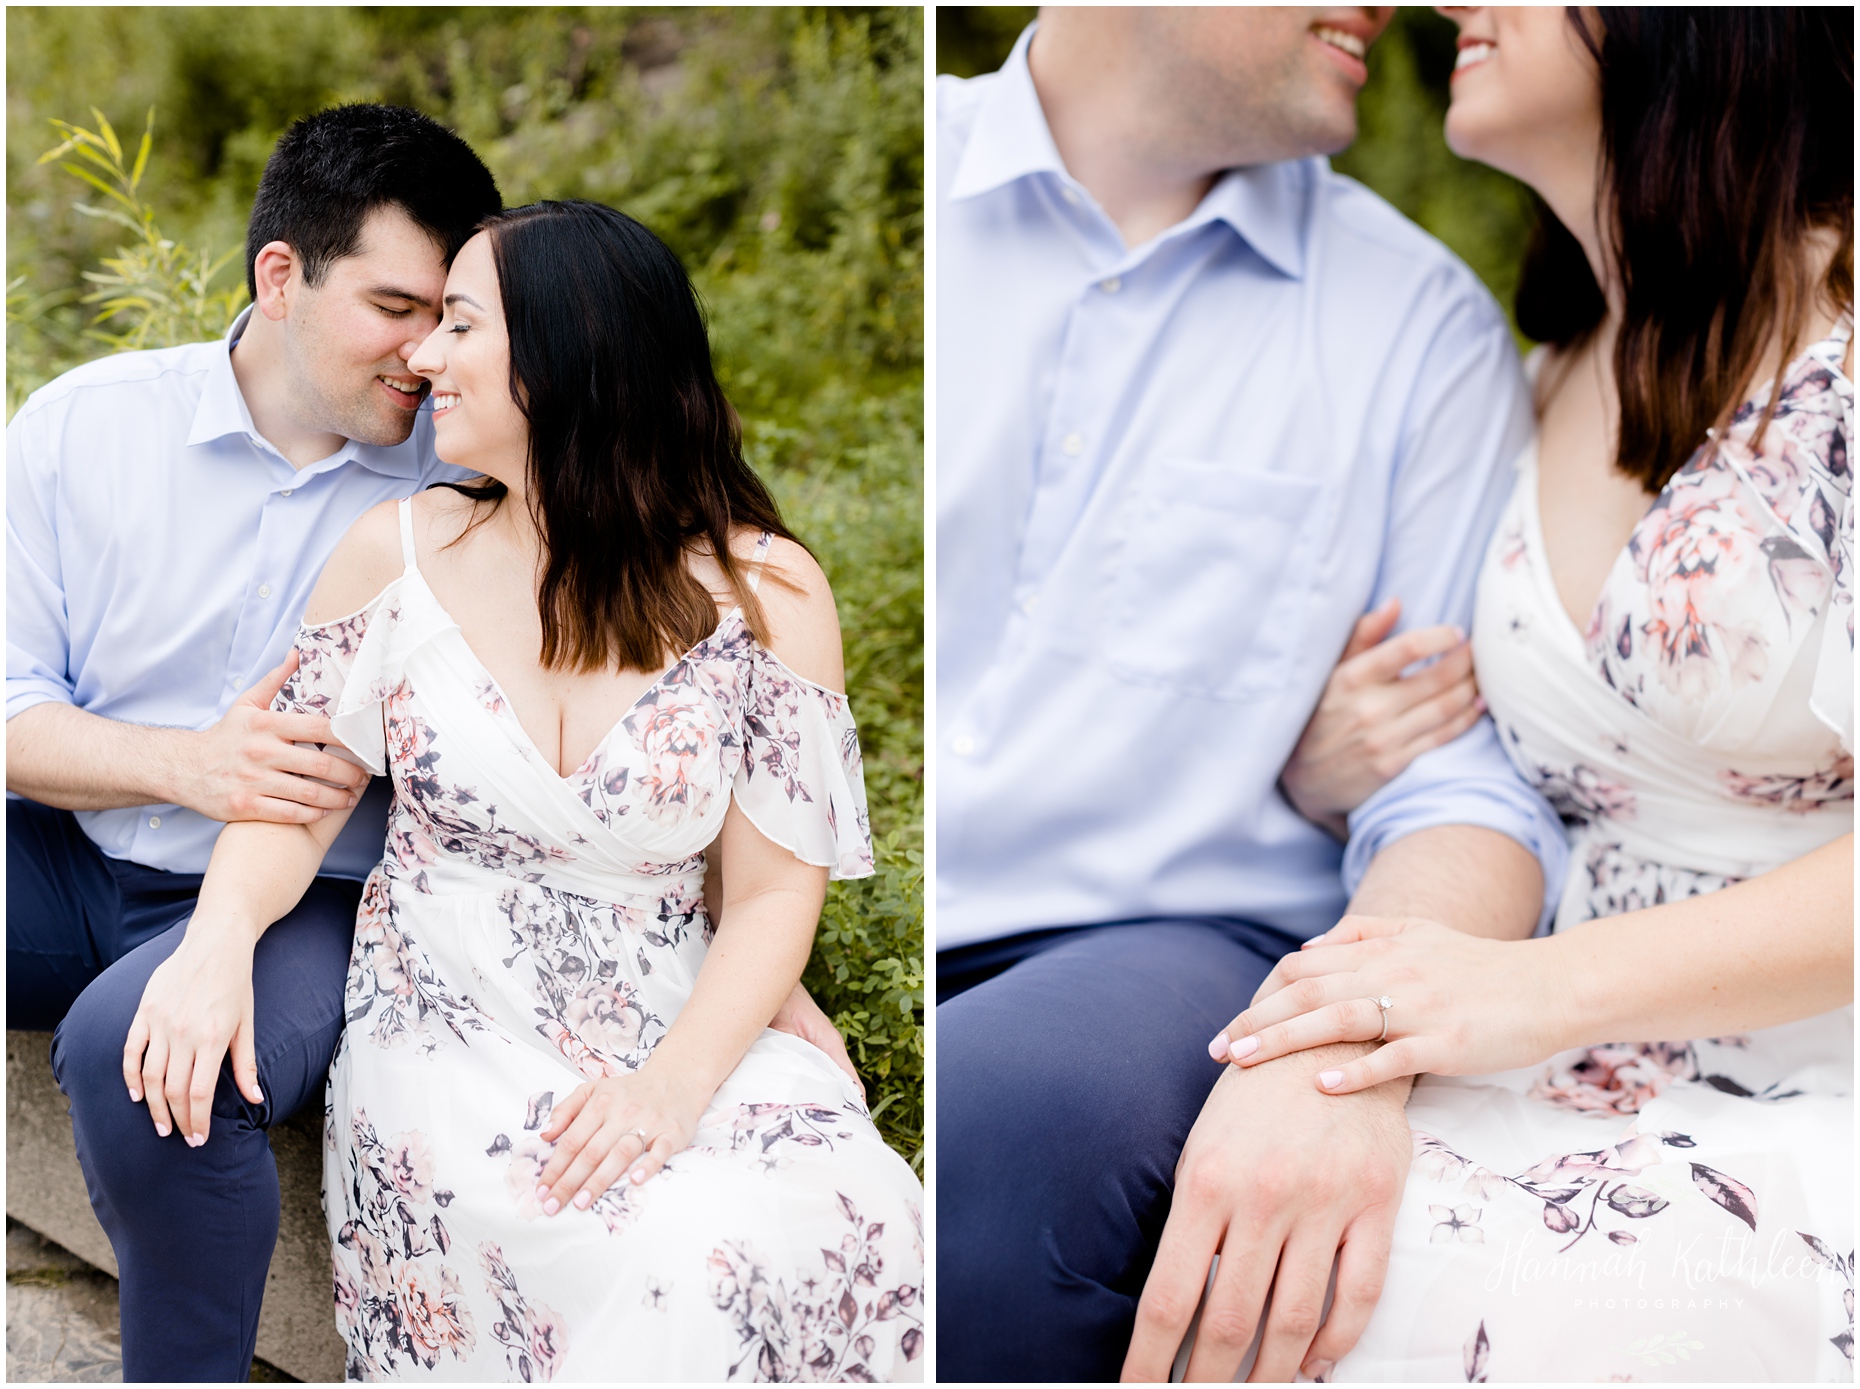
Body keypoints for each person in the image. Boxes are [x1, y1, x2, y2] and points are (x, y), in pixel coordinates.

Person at [6, 104, 853, 1382]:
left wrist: (751, 972)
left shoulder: (467, 482)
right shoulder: (92, 427)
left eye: (455, 317)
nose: (425, 356)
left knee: (136, 1060)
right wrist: (187, 768)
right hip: (86, 846)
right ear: (280, 277)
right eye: (406, 307)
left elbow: (685, 787)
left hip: (327, 900)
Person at [1210, 8, 1853, 1379]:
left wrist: (1536, 994)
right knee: (1280, 1251)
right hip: (1541, 1045)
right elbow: (1504, 760)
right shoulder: (1543, 370)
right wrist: (1340, 768)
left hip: (1806, 1065)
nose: (1448, 4)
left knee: (1519, 1307)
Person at [934, 8, 1570, 1382]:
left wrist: (1338, 1043)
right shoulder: (906, 190)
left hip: (1158, 938)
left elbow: (1465, 780)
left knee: (1005, 1131)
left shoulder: (1420, 326)